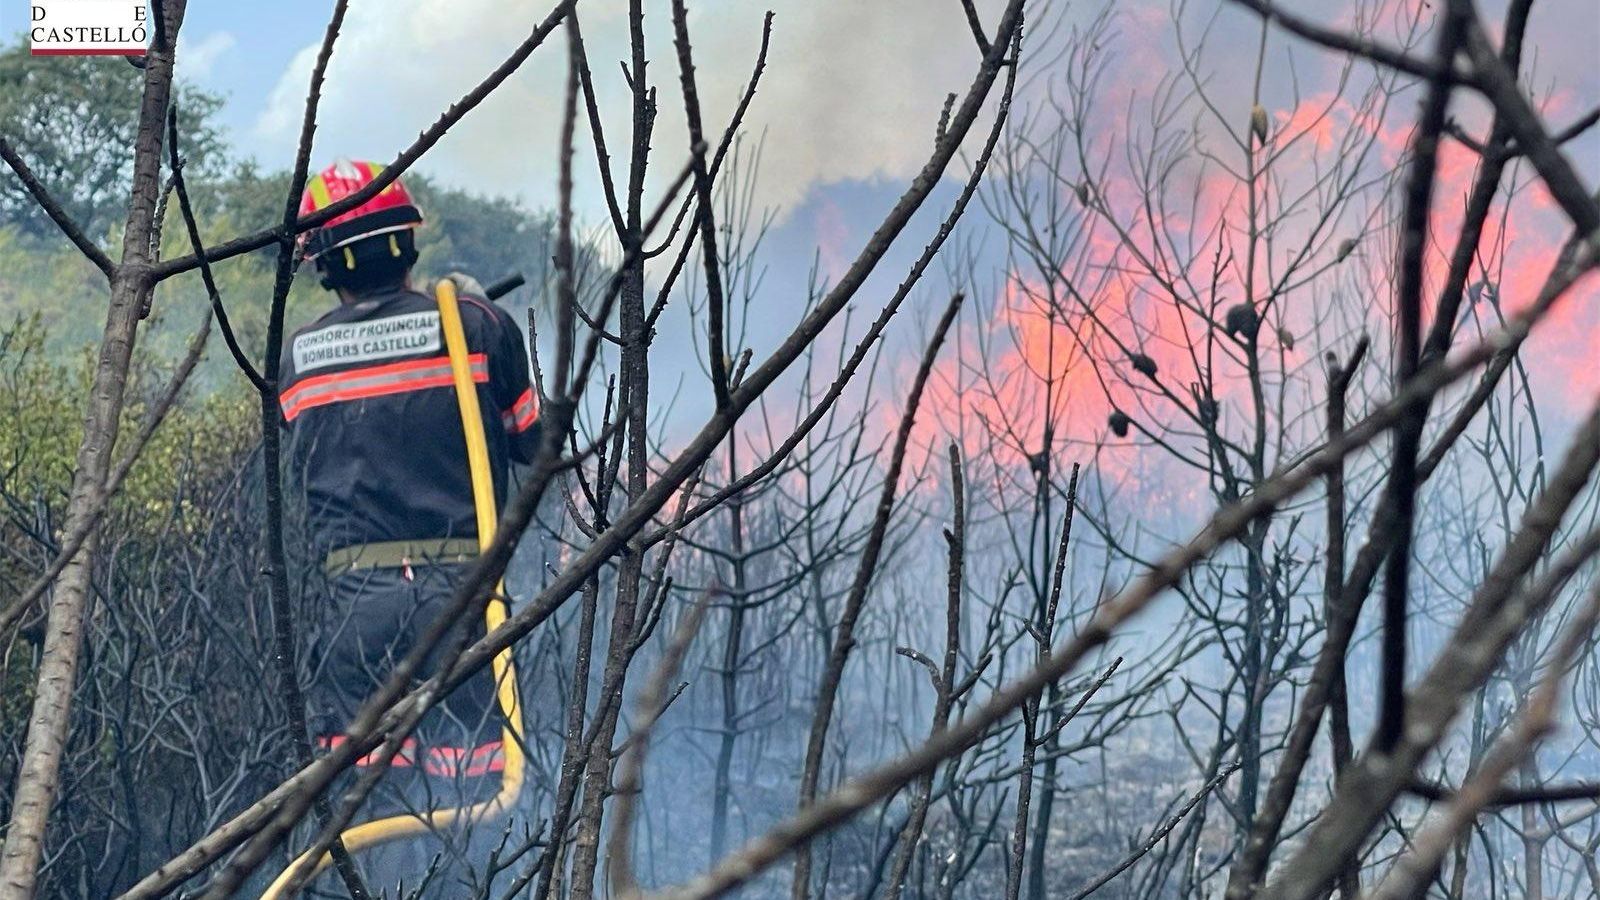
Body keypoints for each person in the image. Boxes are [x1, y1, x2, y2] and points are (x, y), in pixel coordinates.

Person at [276, 158, 539, 895]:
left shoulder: (298, 357)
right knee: (478, 809)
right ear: (407, 243)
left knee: (364, 810)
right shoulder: (478, 328)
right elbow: (535, 445)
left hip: (351, 614)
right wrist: (483, 329)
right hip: (462, 602)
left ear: (325, 265)